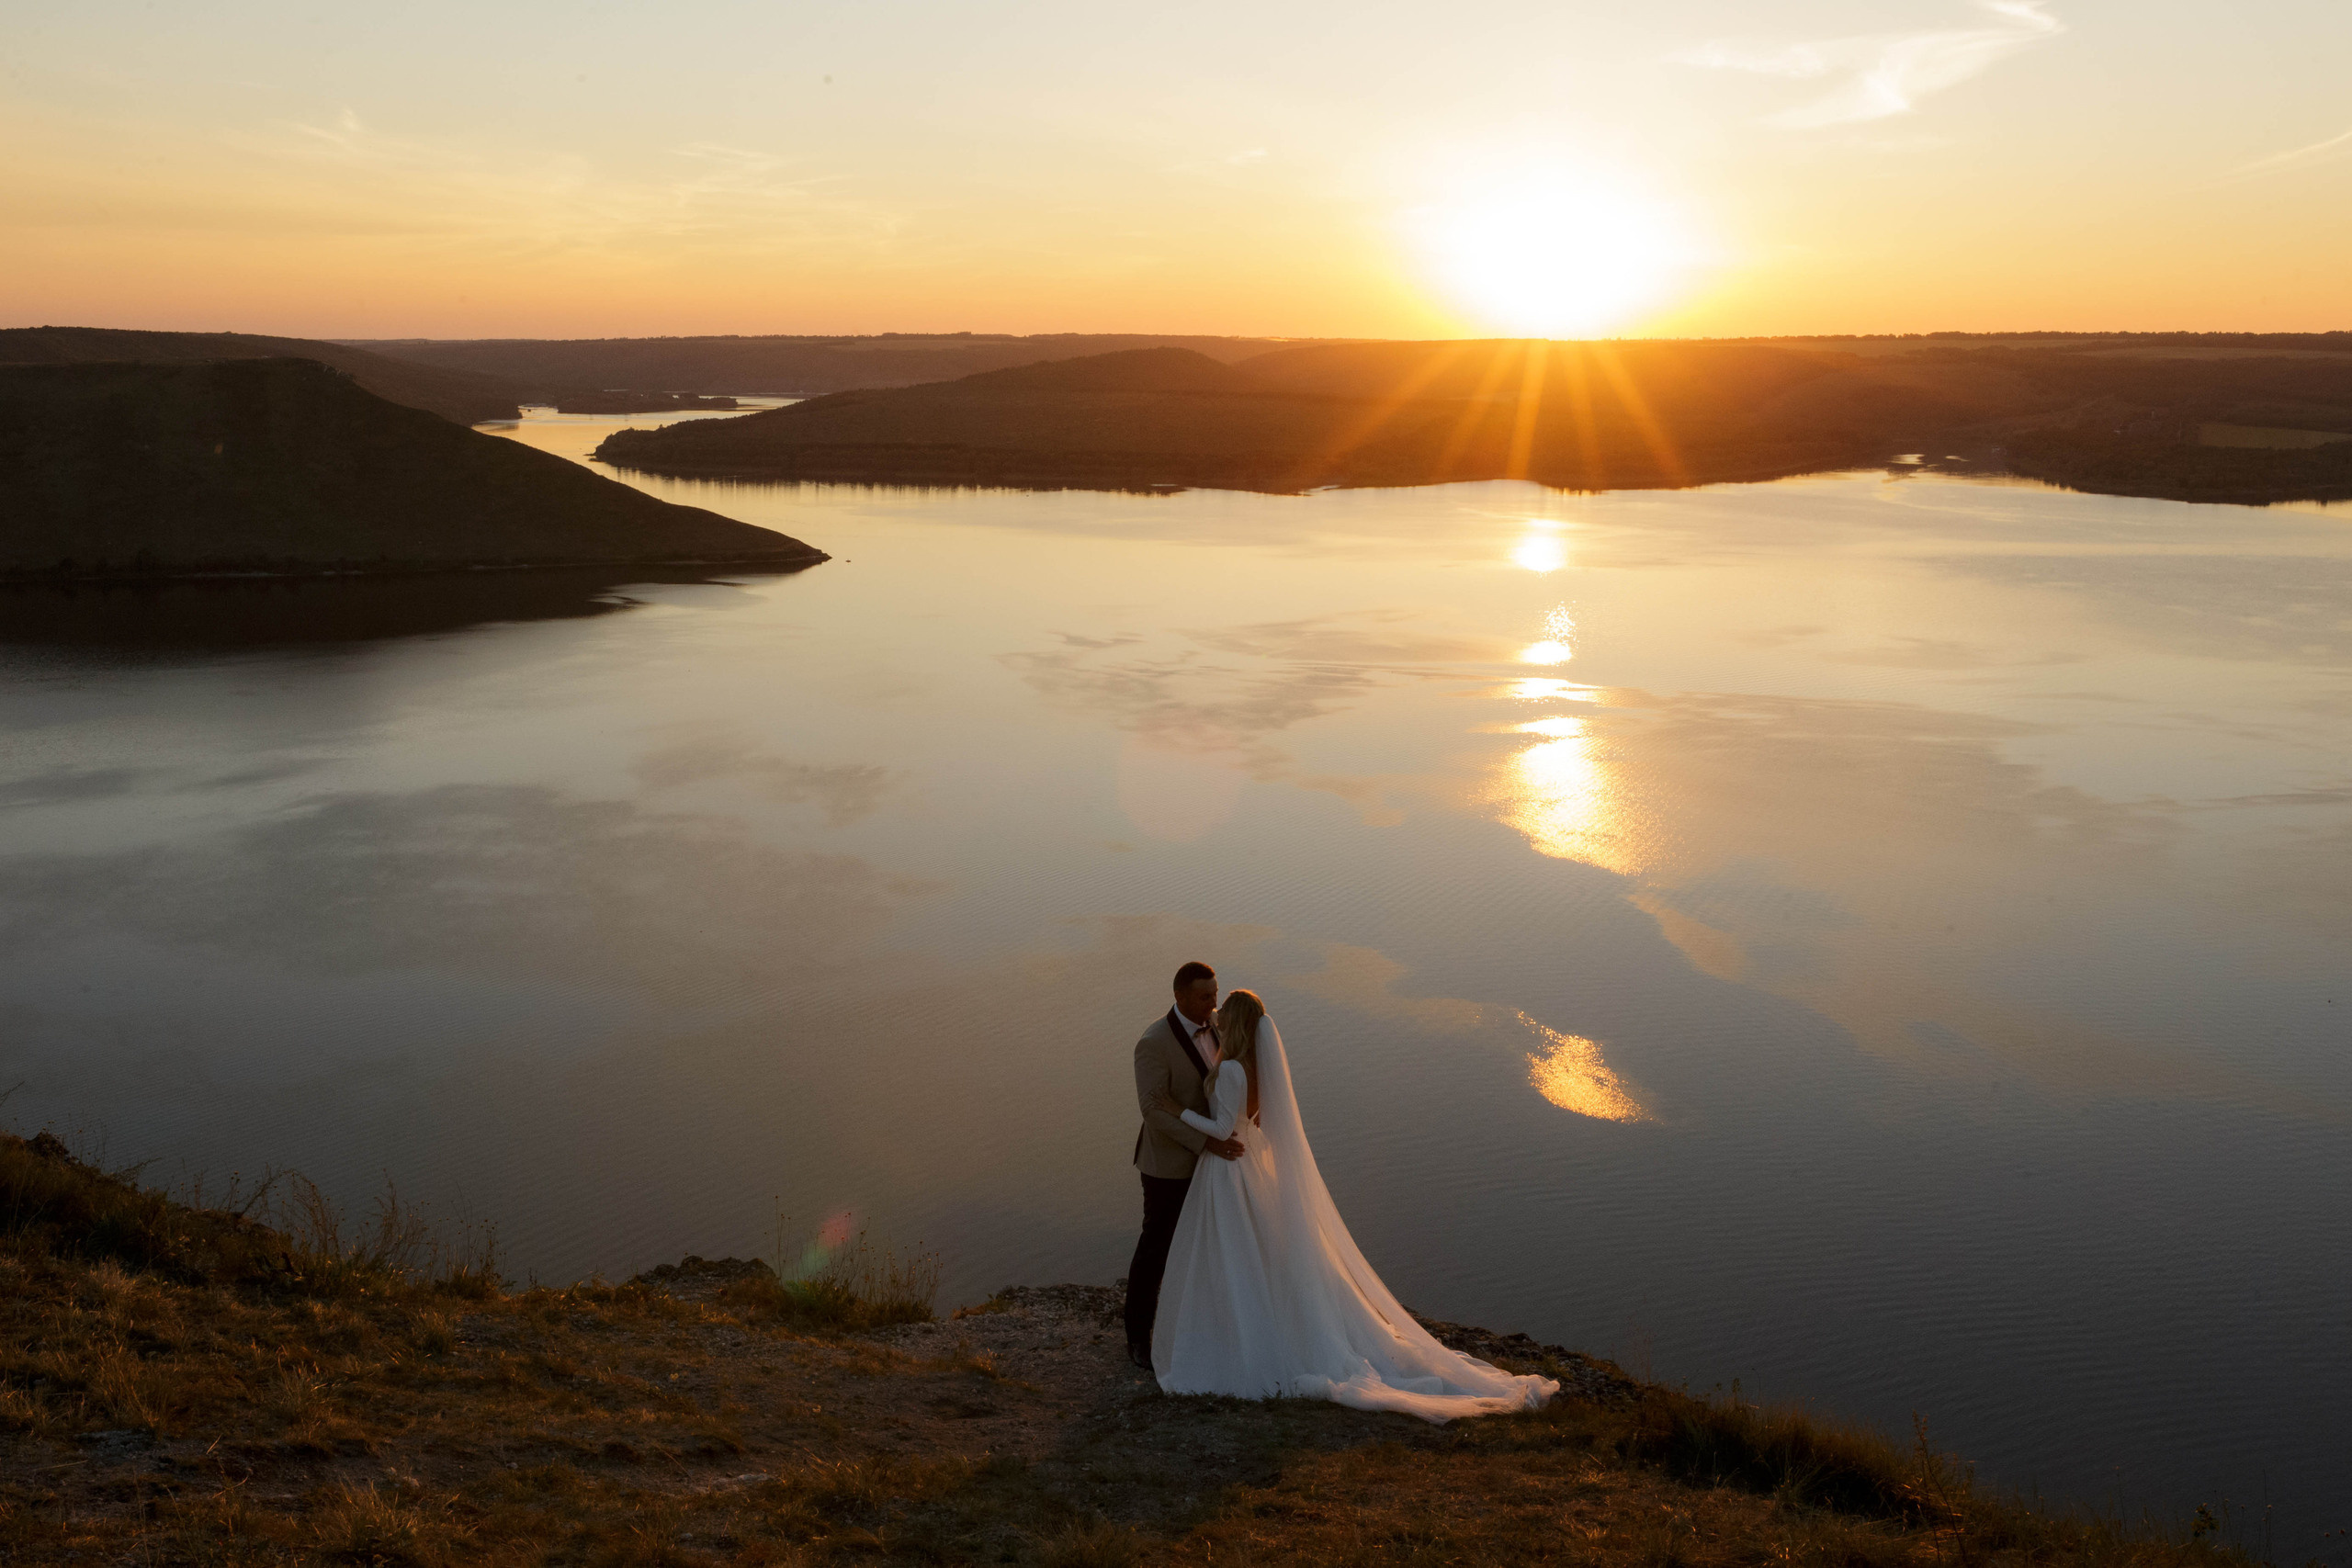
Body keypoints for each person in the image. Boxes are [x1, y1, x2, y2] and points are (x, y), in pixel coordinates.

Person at [1148, 988, 1558, 1423]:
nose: (1216, 1016)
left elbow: (1221, 1126)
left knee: (1233, 1253)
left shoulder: (1231, 1069)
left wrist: (1177, 1111)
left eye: (1223, 1012)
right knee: (1253, 1254)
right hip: (1246, 1163)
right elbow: (1257, 1121)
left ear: (1236, 1024)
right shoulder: (1255, 1069)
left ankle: (1236, 1340)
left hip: (1229, 1170)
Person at [1124, 960, 1243, 1368]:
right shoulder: (1153, 1042)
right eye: (1203, 996)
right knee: (1156, 1250)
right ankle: (1138, 1339)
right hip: (1168, 1167)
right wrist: (1206, 1142)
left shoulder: (1219, 1029)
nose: (1213, 1003)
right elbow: (1153, 1110)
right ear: (1179, 996)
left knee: (1206, 1249)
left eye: (1214, 994)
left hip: (1215, 1164)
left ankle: (1197, 1333)